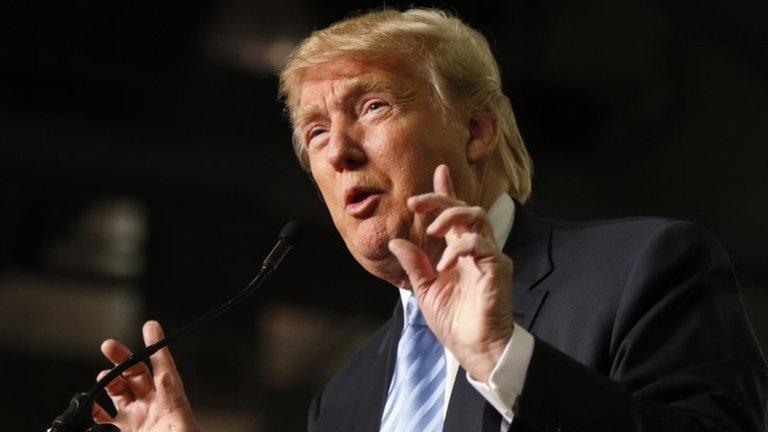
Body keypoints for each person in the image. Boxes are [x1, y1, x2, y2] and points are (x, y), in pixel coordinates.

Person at [92, 8, 767, 432]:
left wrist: (502, 359)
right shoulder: (344, 400)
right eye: (316, 133)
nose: (339, 152)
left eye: (374, 107)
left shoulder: (639, 269)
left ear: (476, 128)